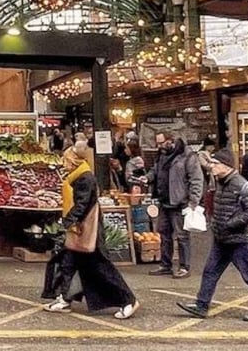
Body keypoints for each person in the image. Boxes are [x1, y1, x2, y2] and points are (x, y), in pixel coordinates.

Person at [176, 146, 248, 323]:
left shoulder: (243, 186)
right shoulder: (220, 182)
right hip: (222, 239)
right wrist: (216, 224)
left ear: (226, 165)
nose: (211, 166)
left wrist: (230, 224)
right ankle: (201, 305)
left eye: (215, 163)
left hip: (240, 240)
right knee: (210, 272)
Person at [44, 144, 138, 319]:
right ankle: (65, 298)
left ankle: (128, 300)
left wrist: (66, 222)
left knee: (100, 267)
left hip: (87, 231)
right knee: (68, 263)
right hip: (79, 229)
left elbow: (82, 204)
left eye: (65, 159)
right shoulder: (77, 175)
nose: (63, 163)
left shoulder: (85, 178)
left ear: (74, 160)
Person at [150, 132, 203, 278]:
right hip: (164, 201)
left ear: (170, 141)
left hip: (180, 202)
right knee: (164, 234)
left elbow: (196, 179)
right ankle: (165, 265)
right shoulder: (162, 154)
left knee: (182, 236)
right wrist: (147, 178)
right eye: (157, 143)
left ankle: (184, 267)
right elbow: (155, 171)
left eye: (161, 143)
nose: (159, 146)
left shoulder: (188, 155)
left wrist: (193, 201)